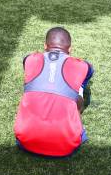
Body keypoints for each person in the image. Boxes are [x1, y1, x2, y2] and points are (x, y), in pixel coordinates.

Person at [14, 27, 93, 158]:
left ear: (45, 45)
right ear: (70, 49)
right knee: (76, 93)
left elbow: (25, 60)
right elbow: (90, 70)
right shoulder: (80, 65)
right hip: (67, 146)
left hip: (25, 142)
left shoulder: (31, 59)